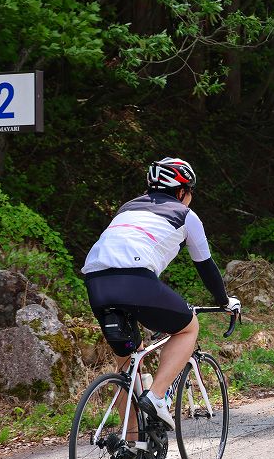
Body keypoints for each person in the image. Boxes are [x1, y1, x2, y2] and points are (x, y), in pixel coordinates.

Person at [82, 157, 239, 429]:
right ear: (182, 191)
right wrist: (224, 301)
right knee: (188, 328)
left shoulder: (127, 208)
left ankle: (130, 440)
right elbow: (206, 267)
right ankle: (156, 397)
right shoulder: (185, 214)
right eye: (190, 193)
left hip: (96, 282)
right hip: (135, 280)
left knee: (127, 366)